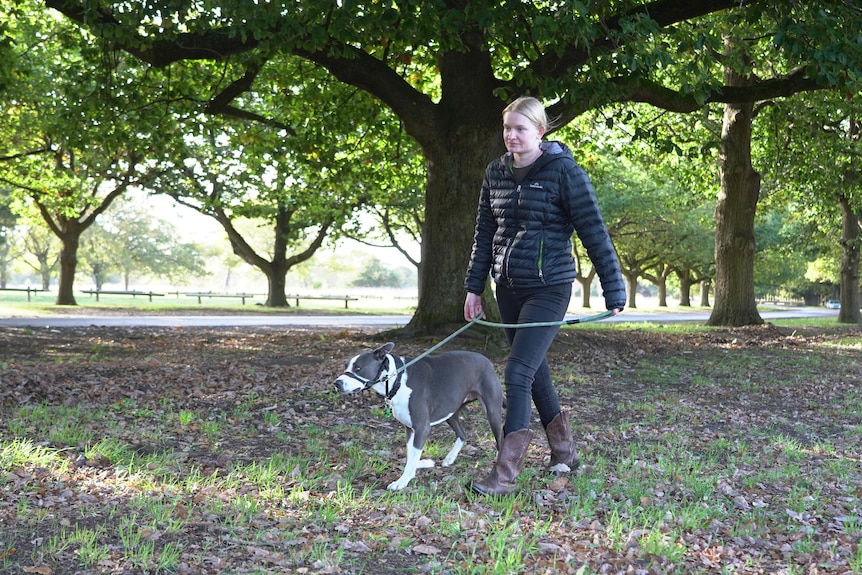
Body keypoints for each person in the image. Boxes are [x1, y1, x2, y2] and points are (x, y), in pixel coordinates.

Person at [463, 96, 626, 496]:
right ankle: (564, 451)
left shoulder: (564, 172)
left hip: (550, 287)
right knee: (534, 371)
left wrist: (613, 287)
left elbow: (593, 231)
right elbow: (485, 234)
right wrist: (474, 286)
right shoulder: (495, 173)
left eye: (520, 129)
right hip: (508, 288)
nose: (512, 136)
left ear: (540, 131)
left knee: (517, 372)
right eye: (507, 129)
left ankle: (504, 472)